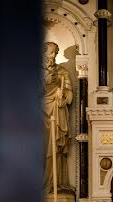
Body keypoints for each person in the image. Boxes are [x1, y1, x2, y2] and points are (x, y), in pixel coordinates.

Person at [43, 41, 73, 193]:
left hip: (56, 113)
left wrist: (63, 97)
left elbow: (69, 95)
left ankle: (54, 183)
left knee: (55, 148)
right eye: (51, 52)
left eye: (55, 52)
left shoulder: (62, 71)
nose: (53, 55)